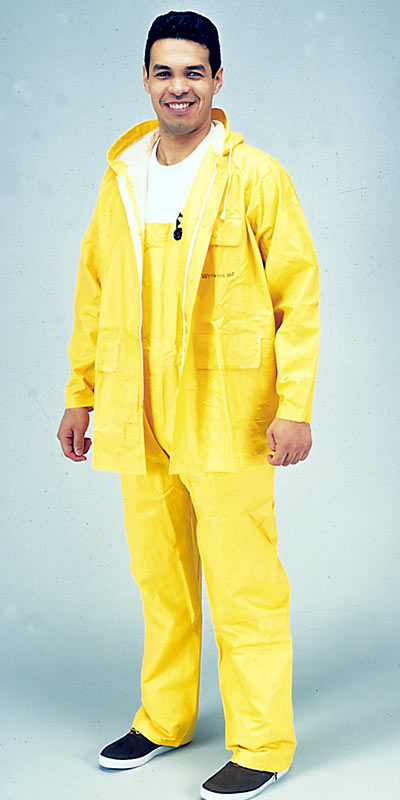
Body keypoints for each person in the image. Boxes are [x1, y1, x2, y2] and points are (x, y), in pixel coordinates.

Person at [57, 10, 320, 799]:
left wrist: (295, 404)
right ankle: (163, 719)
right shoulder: (122, 176)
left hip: (226, 413)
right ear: (146, 79)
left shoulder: (254, 176)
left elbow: (299, 296)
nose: (179, 87)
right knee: (160, 575)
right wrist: (81, 394)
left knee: (244, 581)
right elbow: (95, 292)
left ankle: (264, 743)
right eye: (165, 72)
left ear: (217, 80)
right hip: (136, 410)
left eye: (194, 72)